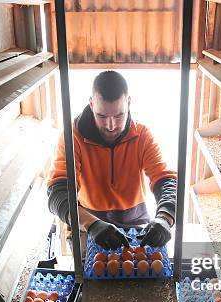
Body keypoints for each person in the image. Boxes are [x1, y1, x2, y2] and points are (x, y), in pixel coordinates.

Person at [47, 70, 177, 251]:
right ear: (92, 105)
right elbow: (57, 194)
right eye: (102, 116)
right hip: (88, 225)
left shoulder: (142, 135)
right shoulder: (72, 138)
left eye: (118, 116)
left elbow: (167, 181)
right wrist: (92, 224)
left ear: (129, 103)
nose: (111, 126)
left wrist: (165, 217)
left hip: (136, 224)